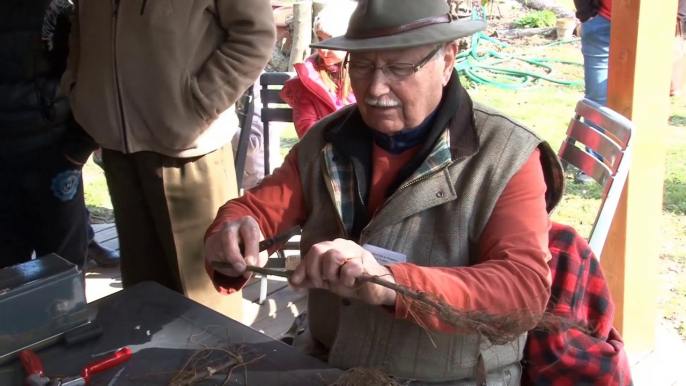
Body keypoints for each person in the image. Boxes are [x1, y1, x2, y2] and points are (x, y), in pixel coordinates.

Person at [204, 0, 565, 383]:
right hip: (328, 364)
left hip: (449, 379)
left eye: (398, 67)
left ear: (447, 60)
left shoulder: (507, 156)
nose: (375, 89)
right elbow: (257, 211)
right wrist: (230, 231)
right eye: (360, 65)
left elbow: (522, 293)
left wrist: (393, 284)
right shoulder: (327, 141)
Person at [62, 0, 276, 317]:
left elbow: (255, 34)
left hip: (191, 153)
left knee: (206, 305)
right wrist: (81, 92)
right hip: (118, 149)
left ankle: (217, 368)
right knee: (142, 296)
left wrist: (198, 105)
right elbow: (82, 24)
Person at [0, 0, 98, 271]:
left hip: (53, 156)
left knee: (64, 274)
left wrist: (79, 147)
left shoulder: (54, 11)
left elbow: (91, 70)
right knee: (6, 282)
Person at [280, 1, 357, 138]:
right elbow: (308, 132)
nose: (323, 49)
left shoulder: (366, 77)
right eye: (320, 39)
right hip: (324, 154)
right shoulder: (308, 81)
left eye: (332, 41)